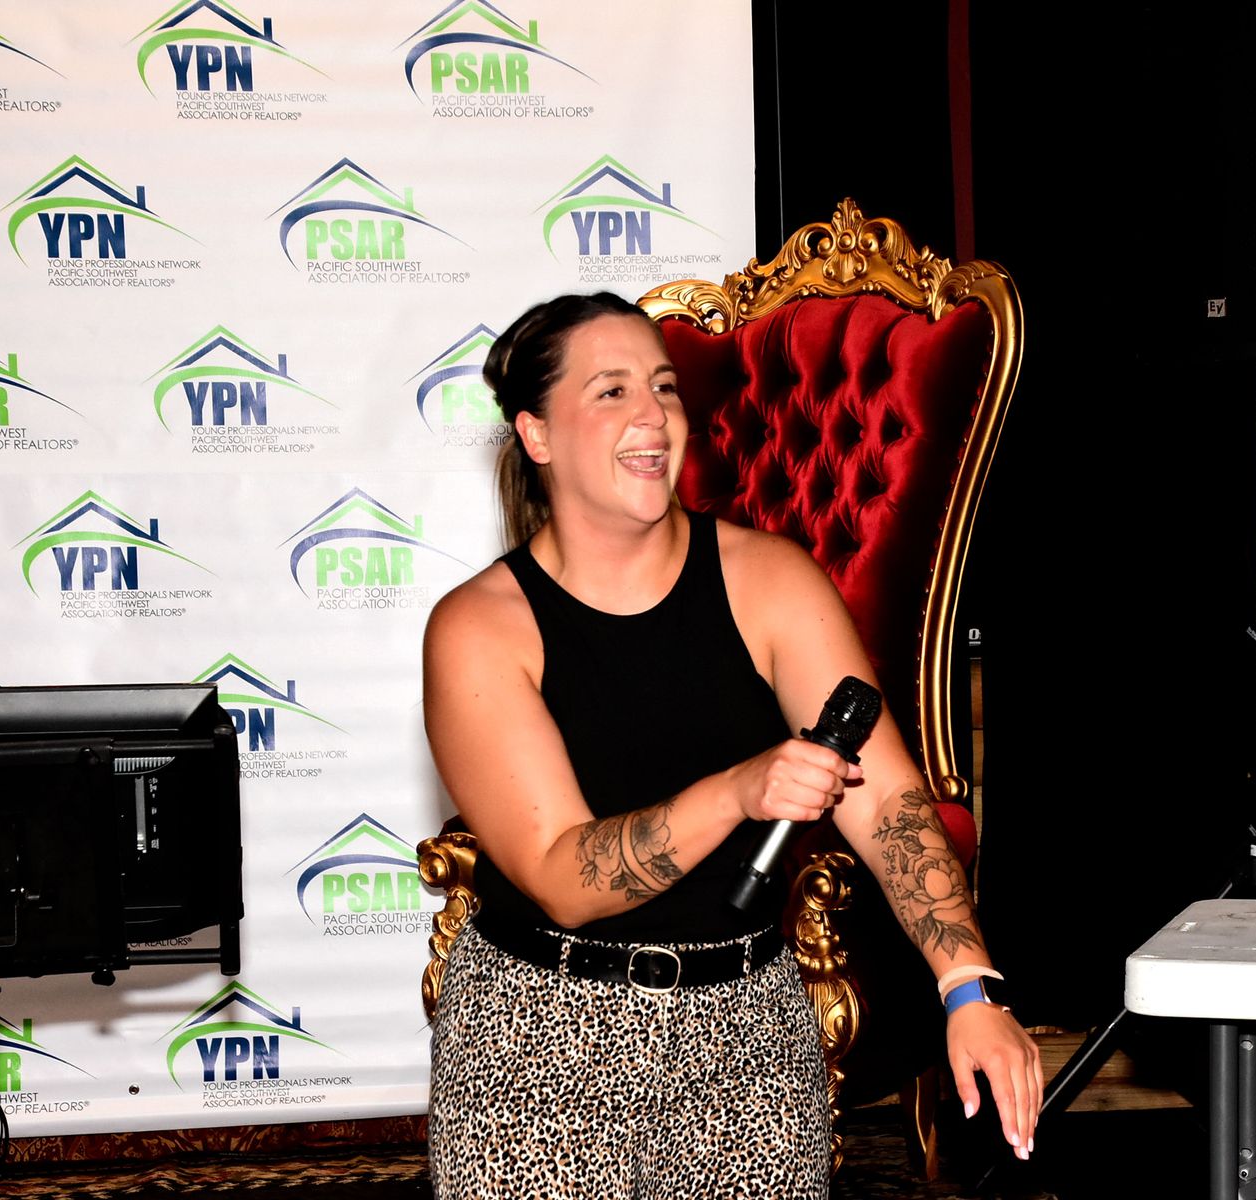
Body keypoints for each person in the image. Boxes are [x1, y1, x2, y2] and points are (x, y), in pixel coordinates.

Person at [422, 292, 1040, 1198]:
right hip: (540, 1036)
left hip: (747, 1029)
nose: (653, 415)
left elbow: (886, 800)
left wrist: (968, 986)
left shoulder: (770, 580)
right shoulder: (479, 627)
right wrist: (739, 790)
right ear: (537, 434)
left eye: (664, 387)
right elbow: (564, 876)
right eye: (611, 391)